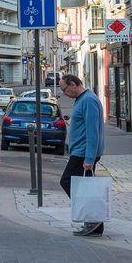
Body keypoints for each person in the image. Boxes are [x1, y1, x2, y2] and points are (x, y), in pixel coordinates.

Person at [57, 74, 106, 236]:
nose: (64, 93)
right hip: (81, 151)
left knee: (67, 181)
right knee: (85, 188)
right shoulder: (82, 99)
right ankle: (94, 224)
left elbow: (93, 132)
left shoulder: (89, 101)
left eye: (64, 89)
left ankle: (93, 218)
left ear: (73, 84)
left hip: (84, 153)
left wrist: (89, 159)